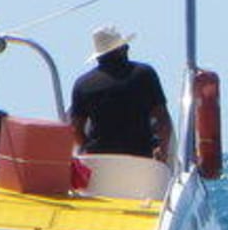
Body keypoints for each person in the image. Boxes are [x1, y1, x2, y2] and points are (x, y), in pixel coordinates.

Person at [69, 25, 174, 162]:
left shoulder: (82, 84)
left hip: (100, 159)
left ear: (98, 56)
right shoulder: (144, 74)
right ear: (123, 49)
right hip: (142, 157)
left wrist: (87, 149)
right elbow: (162, 118)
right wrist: (163, 150)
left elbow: (75, 129)